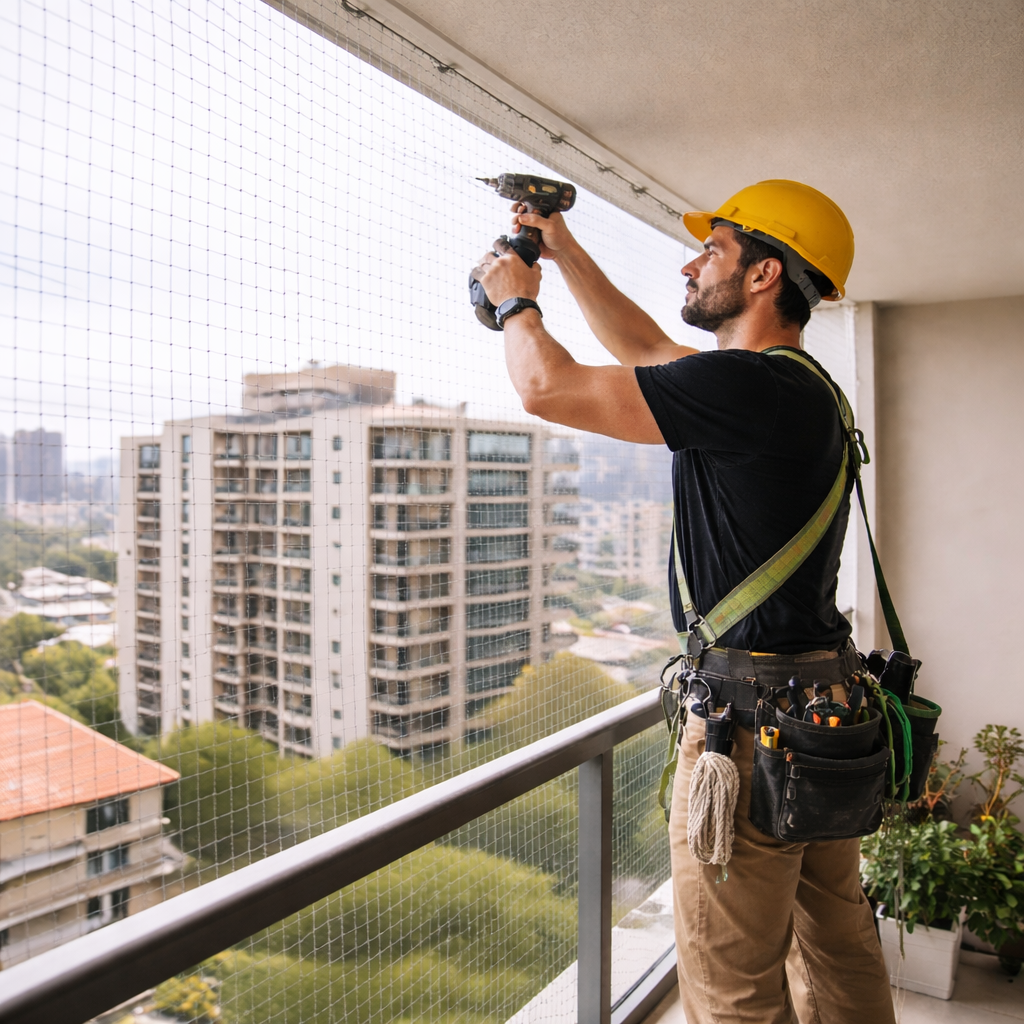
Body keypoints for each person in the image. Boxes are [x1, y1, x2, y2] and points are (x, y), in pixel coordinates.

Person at [475, 179, 896, 1024]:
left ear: (764, 274)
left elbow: (545, 389)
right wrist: (561, 247)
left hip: (750, 729)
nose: (689, 262)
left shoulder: (747, 388)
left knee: (733, 982)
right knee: (837, 941)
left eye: (713, 251)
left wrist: (515, 306)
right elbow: (641, 343)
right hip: (824, 711)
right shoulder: (796, 388)